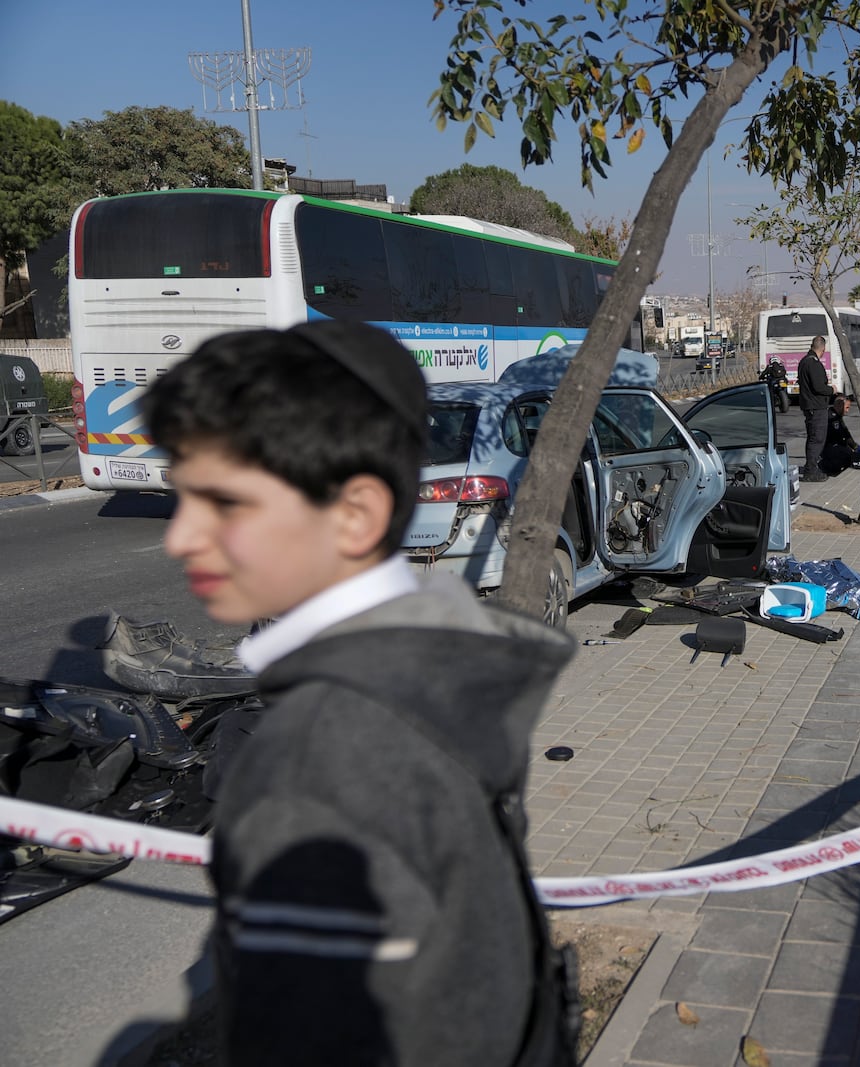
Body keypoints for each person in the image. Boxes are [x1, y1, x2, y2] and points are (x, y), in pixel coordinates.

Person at [143, 320, 577, 1067]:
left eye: (223, 502)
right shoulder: (434, 671)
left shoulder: (313, 768)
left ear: (356, 513)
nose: (180, 537)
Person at [796, 334, 835, 482]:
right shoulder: (813, 363)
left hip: (809, 405)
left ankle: (810, 467)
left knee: (813, 438)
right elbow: (818, 387)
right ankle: (811, 470)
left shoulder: (804, 361)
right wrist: (832, 390)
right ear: (823, 349)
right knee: (817, 439)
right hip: (816, 406)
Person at [819, 395, 860, 476]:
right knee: (847, 454)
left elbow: (846, 433)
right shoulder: (831, 417)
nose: (848, 411)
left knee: (851, 453)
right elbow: (841, 435)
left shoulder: (837, 416)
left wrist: (855, 447)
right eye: (847, 407)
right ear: (839, 406)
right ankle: (826, 467)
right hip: (828, 448)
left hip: (833, 446)